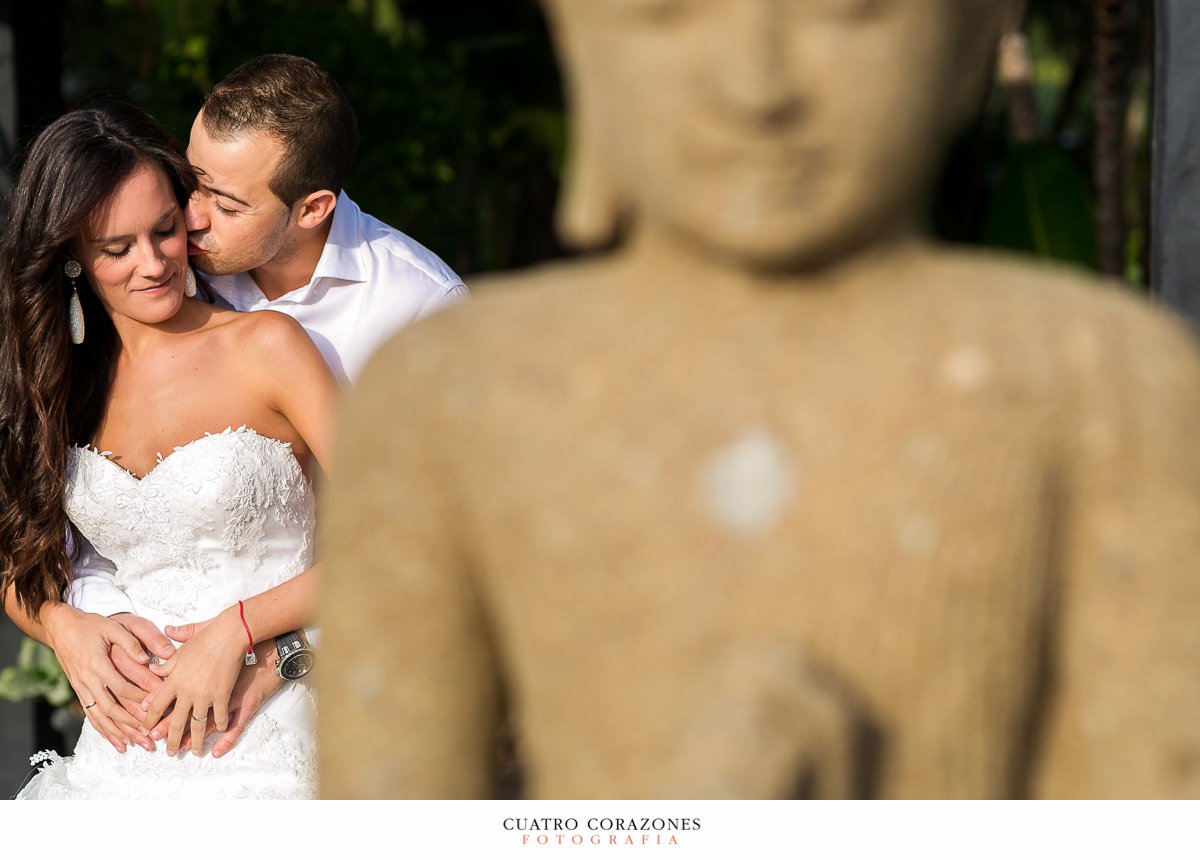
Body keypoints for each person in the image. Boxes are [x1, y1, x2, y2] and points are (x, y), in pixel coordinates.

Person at [318, 0, 1200, 798]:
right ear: (578, 38)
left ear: (974, 32)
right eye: (667, 14)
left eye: (852, 12)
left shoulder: (1104, 383)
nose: (757, 84)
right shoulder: (448, 397)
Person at [3, 54, 467, 760]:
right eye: (190, 189)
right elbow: (31, 553)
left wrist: (265, 646)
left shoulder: (414, 314)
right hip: (131, 741)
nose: (179, 236)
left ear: (312, 209)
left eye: (217, 207)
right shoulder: (75, 367)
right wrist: (64, 626)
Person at [1, 100, 337, 798]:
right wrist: (62, 627)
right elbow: (18, 567)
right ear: (70, 257)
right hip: (119, 760)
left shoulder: (266, 349)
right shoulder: (56, 388)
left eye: (164, 231)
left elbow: (404, 539)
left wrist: (242, 630)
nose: (153, 264)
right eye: (116, 249)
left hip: (273, 730)